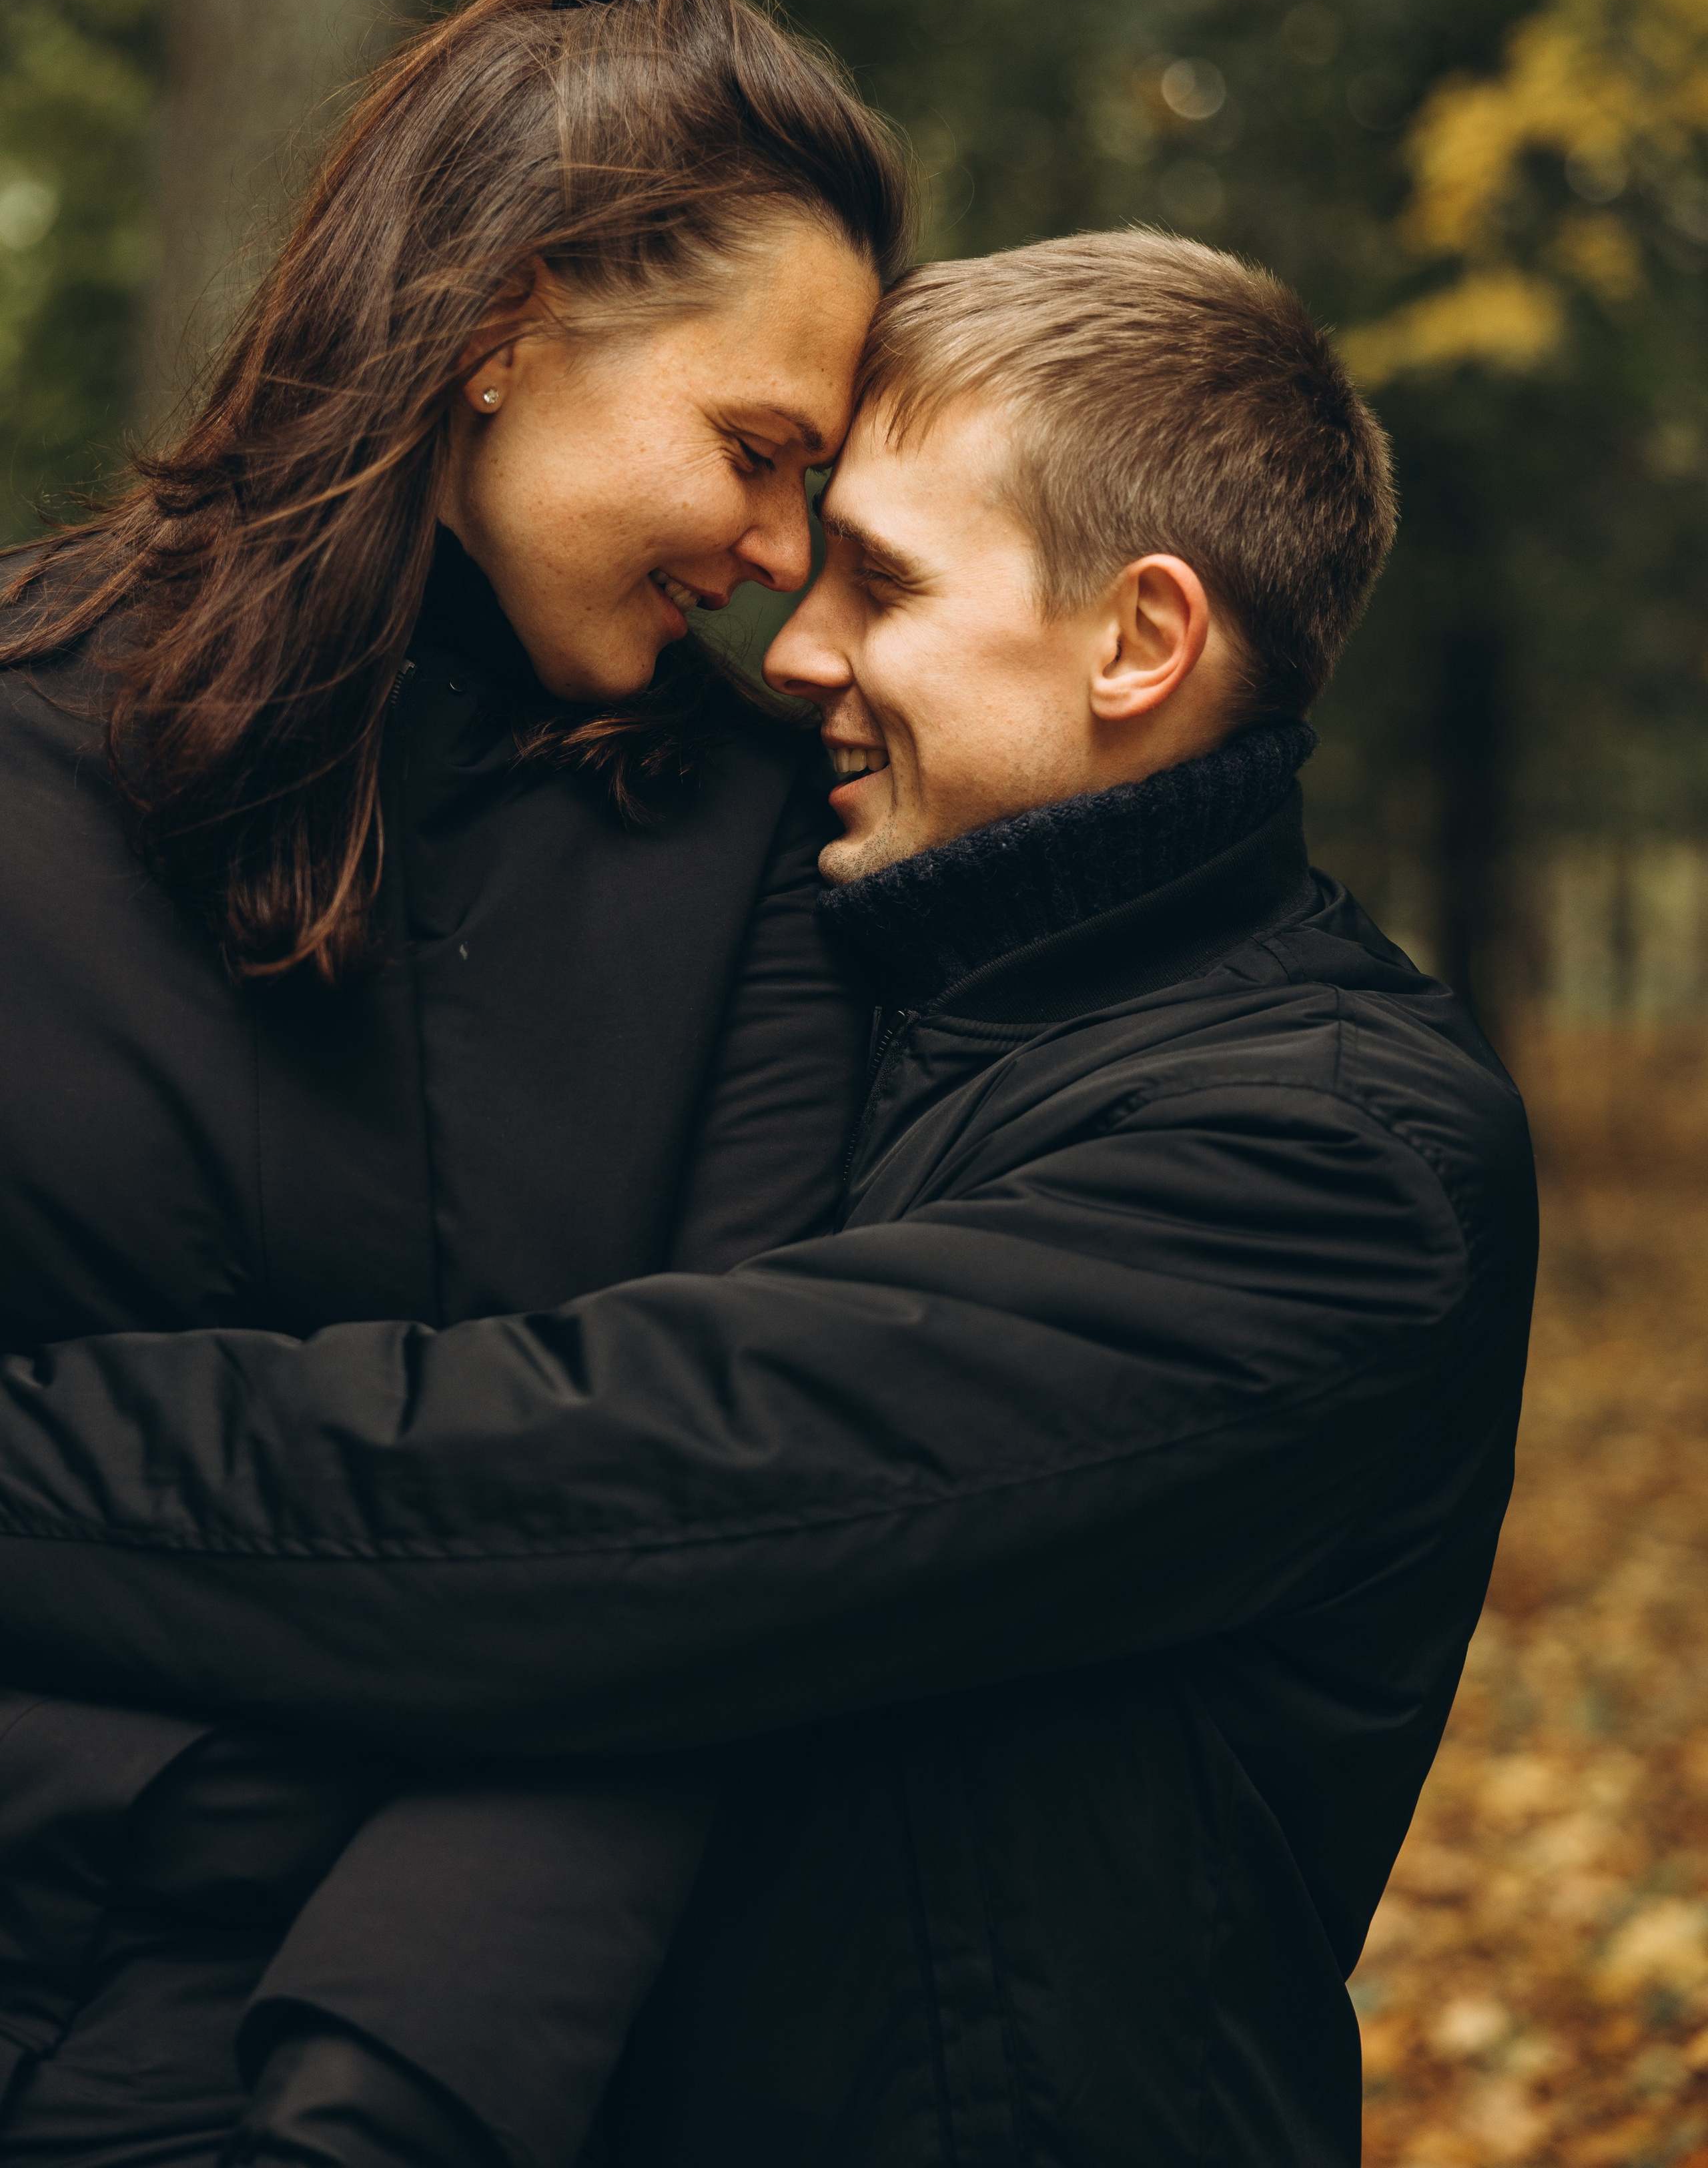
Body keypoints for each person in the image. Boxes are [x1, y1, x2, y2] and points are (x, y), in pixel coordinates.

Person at [0, 232, 1539, 2167]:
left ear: (1140, 642)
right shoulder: (859, 1001)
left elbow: (592, 1501)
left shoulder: (1334, 1162)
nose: (796, 647)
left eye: (881, 582)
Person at [0, 0, 909, 2165]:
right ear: (507, 322)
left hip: (434, 2074)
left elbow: (696, 1564)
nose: (780, 570)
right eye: (755, 452)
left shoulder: (764, 873)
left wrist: (375, 2108)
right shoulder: (18, 753)